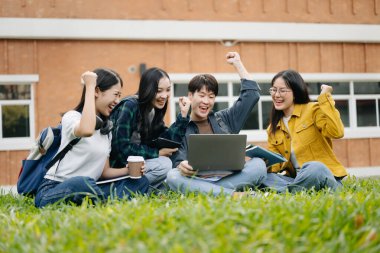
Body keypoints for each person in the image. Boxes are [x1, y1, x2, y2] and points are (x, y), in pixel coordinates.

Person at [35, 69, 149, 208]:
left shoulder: (106, 130)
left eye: (120, 96)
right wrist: (89, 85)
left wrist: (128, 170)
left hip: (91, 188)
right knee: (81, 183)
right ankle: (108, 204)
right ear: (96, 91)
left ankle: (100, 202)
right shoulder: (72, 118)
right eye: (115, 95)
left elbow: (104, 172)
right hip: (55, 190)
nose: (118, 101)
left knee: (140, 182)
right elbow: (87, 130)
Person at [166, 52, 267, 197]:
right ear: (190, 96)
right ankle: (232, 195)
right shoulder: (180, 127)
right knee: (173, 176)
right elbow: (178, 160)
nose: (206, 101)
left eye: (211, 96)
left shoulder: (225, 118)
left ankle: (208, 191)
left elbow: (252, 95)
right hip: (196, 179)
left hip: (229, 178)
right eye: (201, 95)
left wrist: (238, 64)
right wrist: (181, 166)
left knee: (259, 165)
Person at [262, 69, 347, 193]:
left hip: (323, 177)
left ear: (295, 92)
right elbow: (276, 165)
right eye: (274, 90)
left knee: (315, 167)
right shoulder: (273, 128)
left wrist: (325, 97)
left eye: (282, 90)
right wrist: (260, 163)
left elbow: (337, 132)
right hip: (297, 180)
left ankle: (287, 193)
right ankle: (295, 191)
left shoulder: (313, 110)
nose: (276, 95)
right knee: (264, 178)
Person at [110, 67, 191, 190]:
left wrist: (183, 116)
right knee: (164, 164)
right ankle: (128, 189)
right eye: (159, 91)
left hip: (139, 166)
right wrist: (157, 153)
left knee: (174, 159)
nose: (164, 96)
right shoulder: (130, 105)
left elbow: (168, 140)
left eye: (168, 90)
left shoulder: (153, 109)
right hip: (119, 168)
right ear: (147, 89)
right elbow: (121, 149)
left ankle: (150, 189)